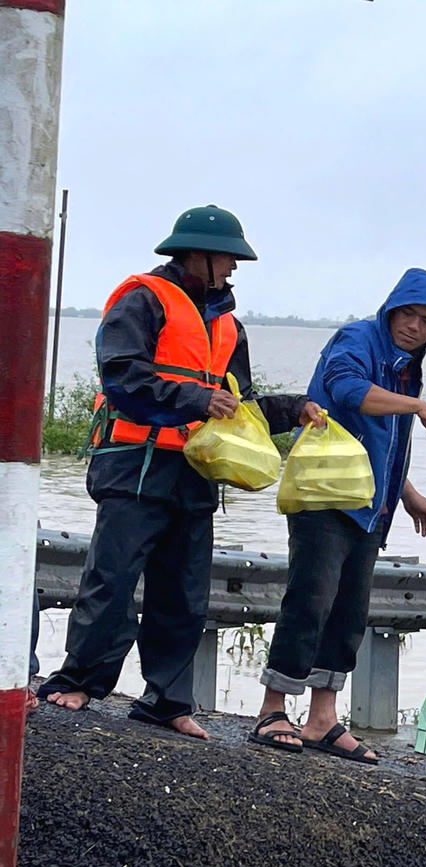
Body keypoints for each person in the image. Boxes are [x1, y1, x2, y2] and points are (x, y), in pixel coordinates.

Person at [37, 205, 321, 739]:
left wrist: (294, 409)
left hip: (194, 474)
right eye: (228, 259)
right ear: (196, 254)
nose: (234, 269)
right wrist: (194, 397)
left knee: (184, 593)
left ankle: (165, 701)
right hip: (135, 465)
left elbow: (242, 404)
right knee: (113, 580)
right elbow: (122, 377)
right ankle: (76, 681)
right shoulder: (142, 298)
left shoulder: (229, 327)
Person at [250, 268, 426, 763]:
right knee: (310, 598)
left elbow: (379, 441)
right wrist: (419, 406)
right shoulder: (358, 339)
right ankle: (271, 709)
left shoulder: (406, 364)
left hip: (370, 506)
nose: (415, 326)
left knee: (348, 613)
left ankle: (322, 719)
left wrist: (407, 492)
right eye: (408, 314)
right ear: (391, 309)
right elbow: (344, 391)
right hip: (323, 494)